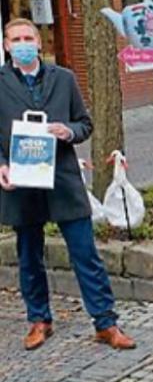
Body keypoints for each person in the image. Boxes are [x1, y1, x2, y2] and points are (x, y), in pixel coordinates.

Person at [0, 18, 134, 352]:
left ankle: (105, 322)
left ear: (39, 42)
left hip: (62, 178)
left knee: (85, 253)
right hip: (21, 182)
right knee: (29, 256)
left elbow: (84, 124)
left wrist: (69, 131)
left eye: (28, 38)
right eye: (16, 39)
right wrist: (1, 165)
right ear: (6, 46)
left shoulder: (64, 78)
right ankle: (39, 320)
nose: (23, 44)